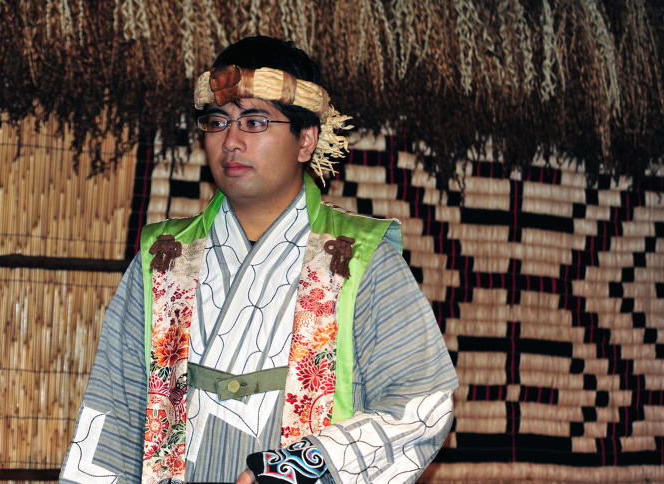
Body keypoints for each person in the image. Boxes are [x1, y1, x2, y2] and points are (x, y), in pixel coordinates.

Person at [61, 36, 457, 484]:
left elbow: (423, 403)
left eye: (254, 121)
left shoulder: (362, 260)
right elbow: (114, 409)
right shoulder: (163, 260)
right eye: (217, 122)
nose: (230, 141)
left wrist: (301, 468)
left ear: (305, 139)